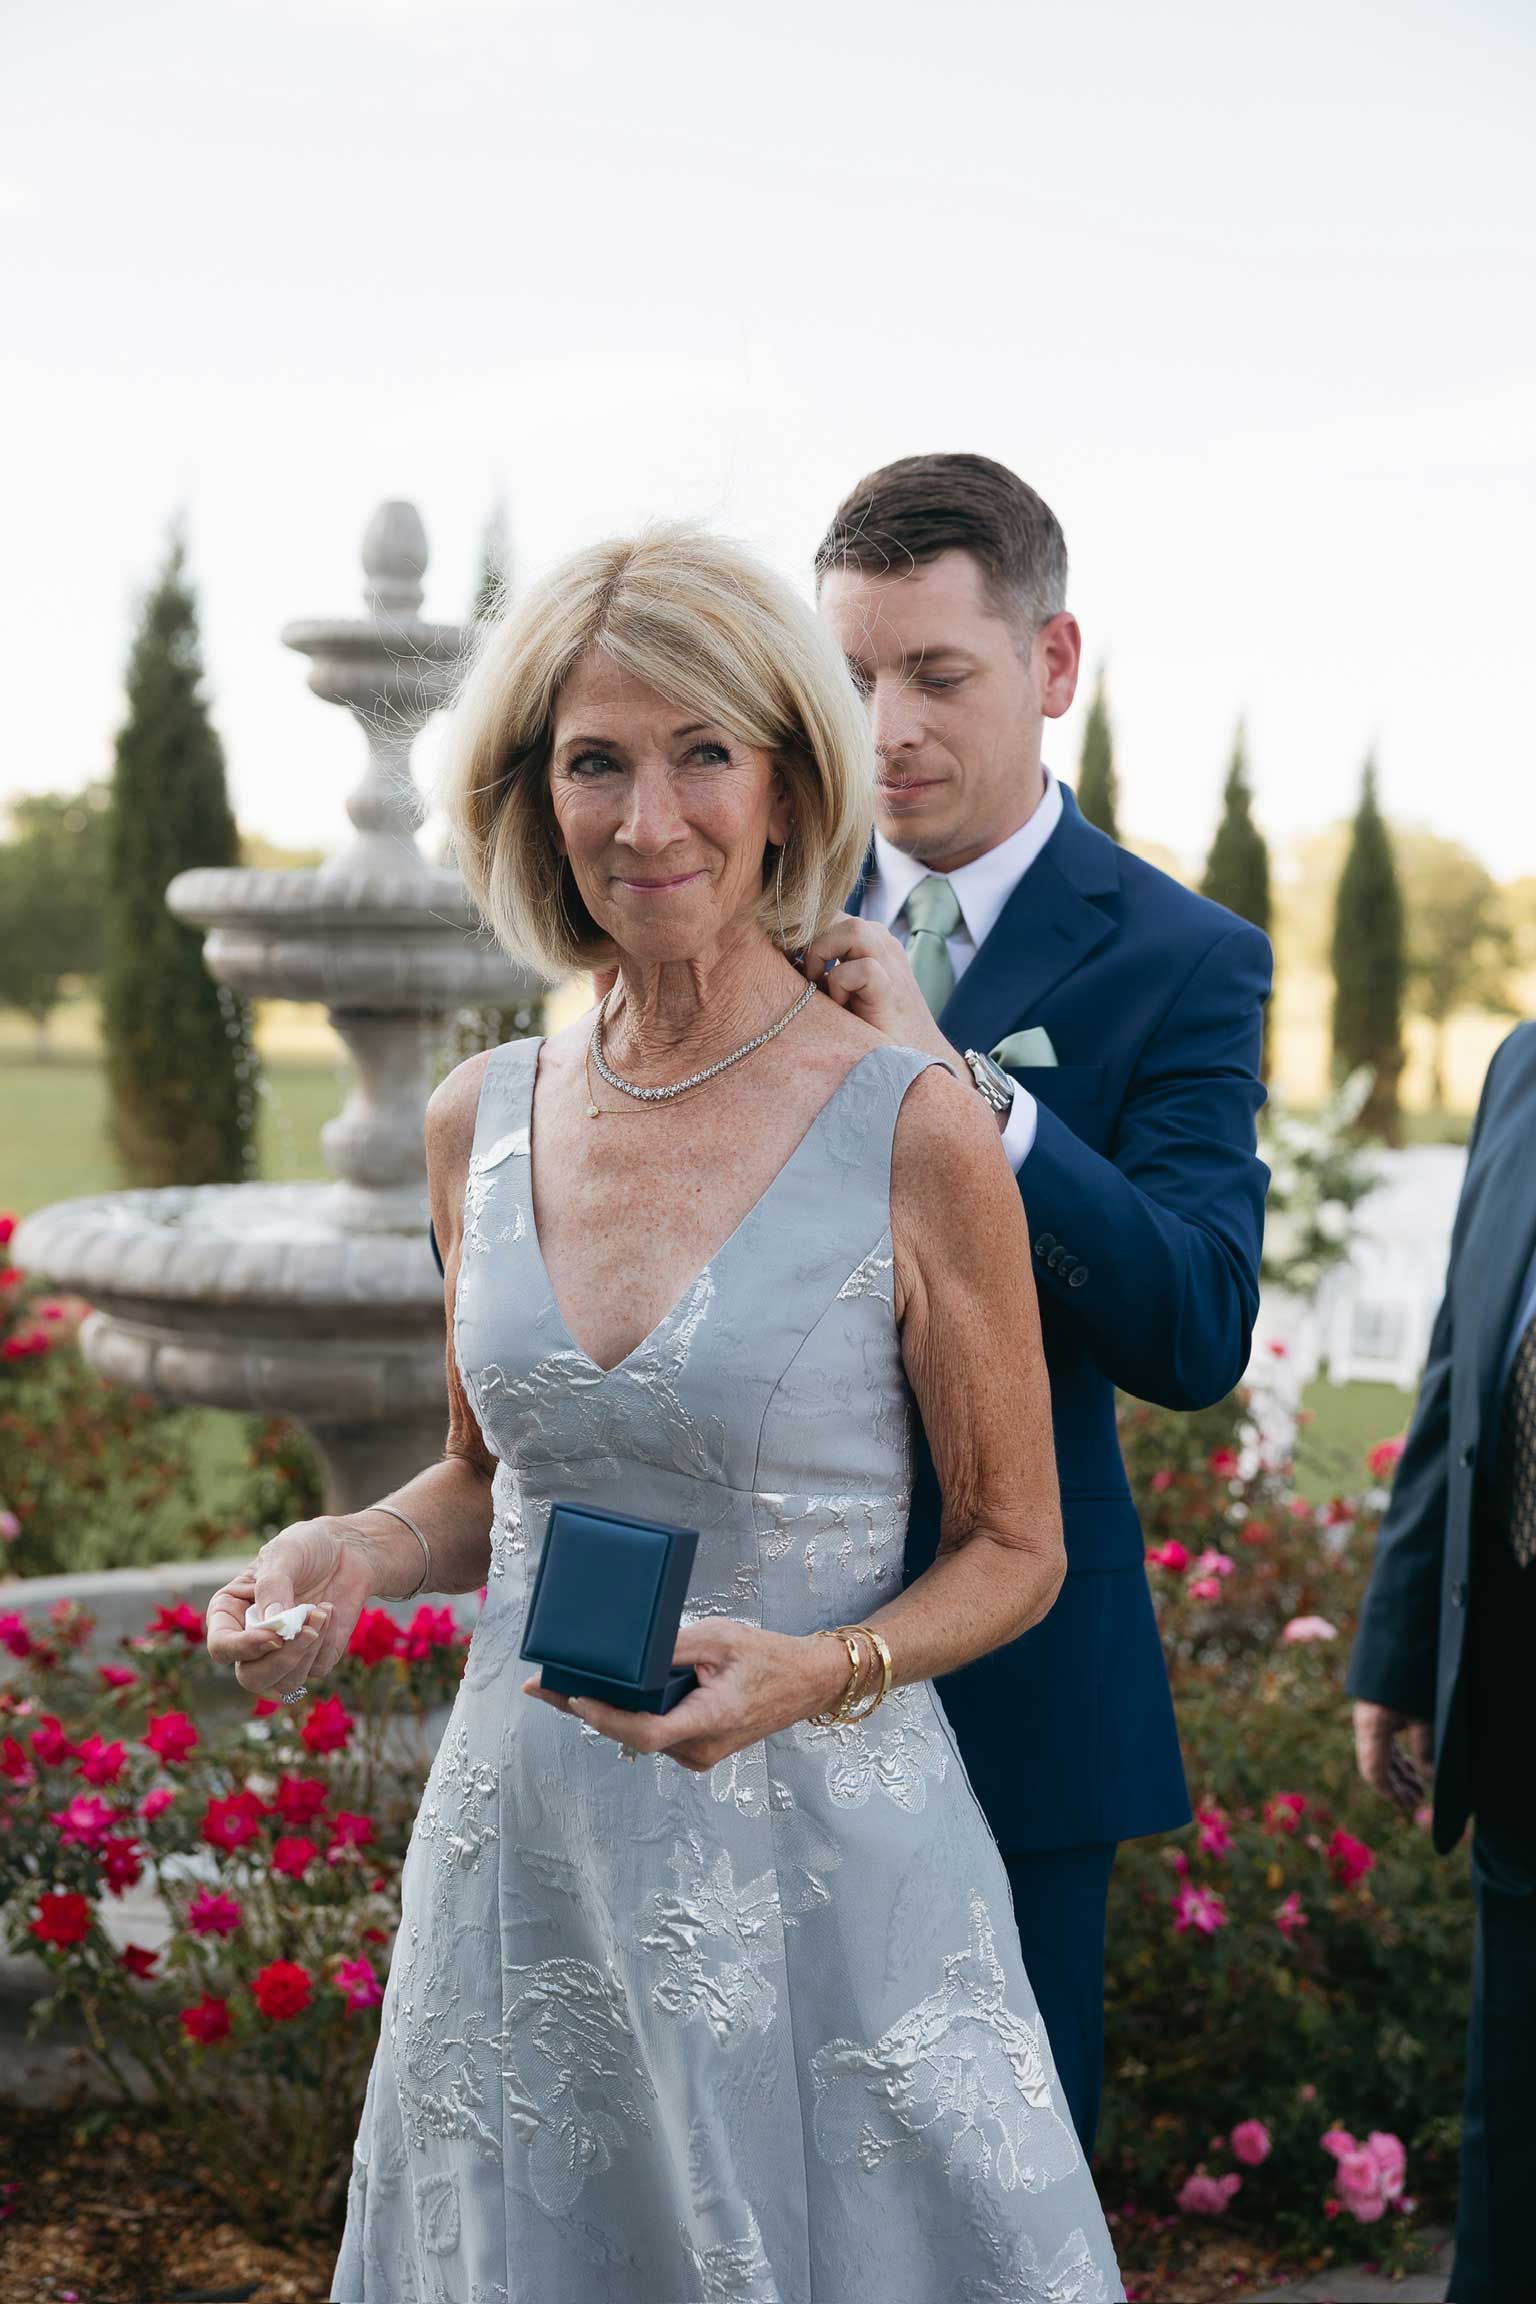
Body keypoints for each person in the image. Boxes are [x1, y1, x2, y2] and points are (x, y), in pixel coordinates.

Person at [208, 525, 1125, 2304]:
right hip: (528, 1848)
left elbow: (1020, 1545)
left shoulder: (914, 1122)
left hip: (831, 1877)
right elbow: (489, 1479)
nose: (649, 820)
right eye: (594, 760)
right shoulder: (481, 1112)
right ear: (529, 794)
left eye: (701, 750)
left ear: (787, 775)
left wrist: (822, 1667)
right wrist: (349, 1544)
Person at [803, 453, 1273, 2152]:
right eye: (852, 674)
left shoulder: (1179, 955)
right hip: (747, 1654)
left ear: (1053, 663)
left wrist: (982, 1102)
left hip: (1016, 1689)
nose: (885, 726)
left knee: (996, 2186)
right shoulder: (751, 911)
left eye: (936, 672)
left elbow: (1194, 1326)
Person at [1347, 1019, 1536, 2304]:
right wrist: (1400, 1650)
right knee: (1513, 2128)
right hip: (1519, 1697)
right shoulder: (1525, 1065)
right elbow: (1460, 1372)